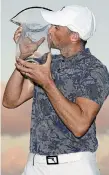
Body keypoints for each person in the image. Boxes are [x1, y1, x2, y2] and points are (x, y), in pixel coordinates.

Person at [2, 5, 109, 175]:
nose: (49, 30)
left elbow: (80, 125)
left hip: (74, 166)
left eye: (56, 27)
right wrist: (23, 57)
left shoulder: (94, 70)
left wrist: (47, 83)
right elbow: (10, 101)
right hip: (35, 165)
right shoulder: (48, 62)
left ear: (74, 36)